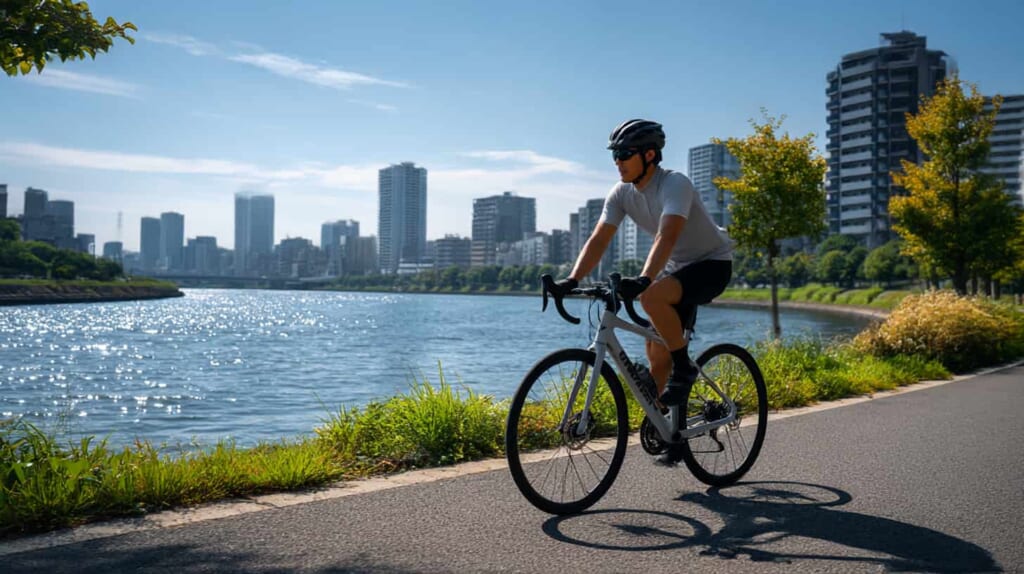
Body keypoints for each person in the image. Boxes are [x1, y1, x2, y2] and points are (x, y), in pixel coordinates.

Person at [551, 119, 735, 465]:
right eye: (615, 155)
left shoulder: (674, 184)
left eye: (624, 154)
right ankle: (673, 433)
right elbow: (600, 238)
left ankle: (687, 368)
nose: (617, 161)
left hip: (711, 264)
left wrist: (645, 278)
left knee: (652, 299)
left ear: (649, 155)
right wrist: (572, 280)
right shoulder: (621, 193)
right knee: (656, 352)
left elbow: (667, 235)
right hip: (676, 267)